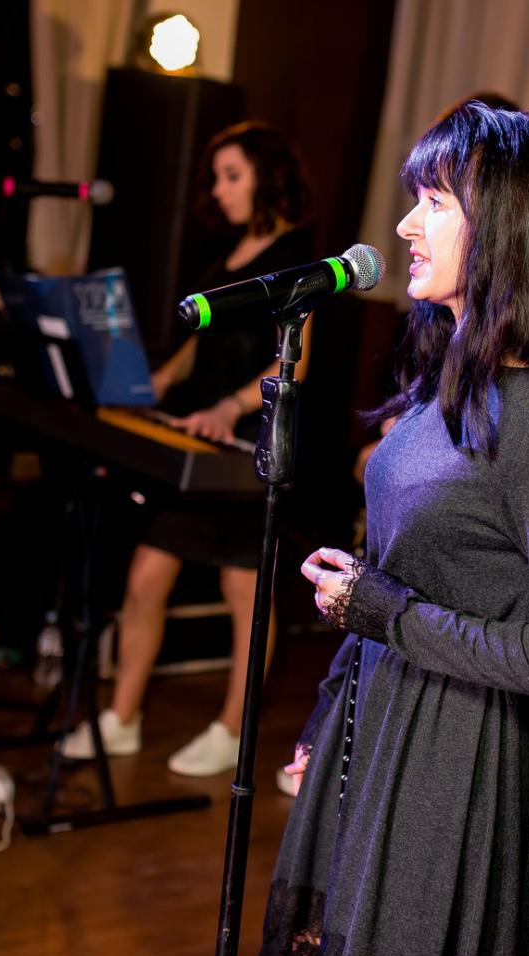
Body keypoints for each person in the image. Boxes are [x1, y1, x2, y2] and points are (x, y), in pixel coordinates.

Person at [253, 102, 529, 956]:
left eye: (434, 202)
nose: (405, 227)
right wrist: (328, 718)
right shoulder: (447, 383)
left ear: (507, 228)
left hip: (456, 763)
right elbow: (395, 582)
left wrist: (389, 615)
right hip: (378, 719)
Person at [57, 122, 315, 777]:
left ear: (266, 176)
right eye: (216, 178)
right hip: (197, 446)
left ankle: (232, 730)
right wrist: (144, 387)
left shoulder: (299, 260)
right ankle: (122, 718)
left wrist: (228, 407)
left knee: (243, 591)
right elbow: (197, 351)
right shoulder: (225, 258)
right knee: (146, 577)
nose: (219, 190)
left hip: (247, 448)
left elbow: (296, 363)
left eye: (232, 176)